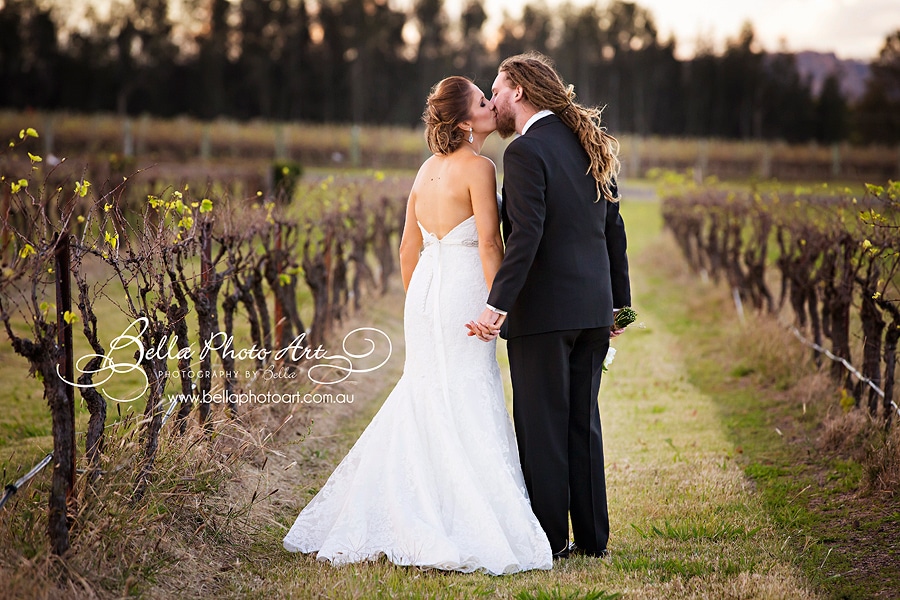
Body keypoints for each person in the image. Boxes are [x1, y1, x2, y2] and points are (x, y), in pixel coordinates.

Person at [283, 76, 552, 575]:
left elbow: (408, 248)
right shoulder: (480, 168)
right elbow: (491, 245)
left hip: (427, 290)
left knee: (427, 389)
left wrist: (421, 299)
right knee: (467, 388)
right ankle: (461, 516)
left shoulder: (426, 170)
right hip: (465, 291)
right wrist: (499, 304)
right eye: (481, 101)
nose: (491, 104)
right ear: (465, 121)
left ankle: (415, 506)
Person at [468, 52, 631, 559]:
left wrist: (497, 305)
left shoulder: (523, 152)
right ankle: (593, 540)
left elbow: (526, 236)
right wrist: (620, 311)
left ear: (518, 90)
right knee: (582, 423)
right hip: (593, 311)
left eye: (496, 88)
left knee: (541, 427)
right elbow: (614, 231)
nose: (492, 98)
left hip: (543, 316)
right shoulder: (588, 143)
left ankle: (548, 543)